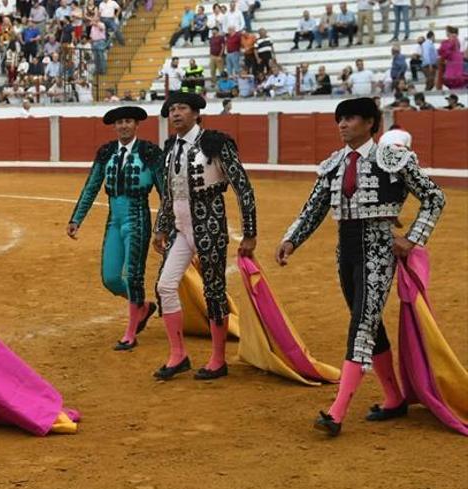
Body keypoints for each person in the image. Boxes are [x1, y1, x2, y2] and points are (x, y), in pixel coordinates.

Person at [275, 97, 445, 436]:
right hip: (347, 249)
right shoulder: (334, 163)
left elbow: (434, 196)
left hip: (379, 247)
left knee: (361, 324)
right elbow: (314, 208)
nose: (342, 124)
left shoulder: (393, 157)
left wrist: (411, 238)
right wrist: (291, 239)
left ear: (370, 123)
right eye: (340, 119)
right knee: (368, 320)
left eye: (350, 118)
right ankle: (394, 396)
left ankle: (336, 413)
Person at [153, 92, 257, 381]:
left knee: (213, 290)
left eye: (182, 108)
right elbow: (169, 194)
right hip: (181, 228)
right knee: (165, 285)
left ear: (197, 113)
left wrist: (249, 233)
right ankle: (178, 355)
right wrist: (161, 227)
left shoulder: (215, 143)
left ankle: (218, 359)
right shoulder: (171, 147)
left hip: (210, 224)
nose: (175, 114)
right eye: (172, 109)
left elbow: (243, 188)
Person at [67, 106, 164, 351]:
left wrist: (167, 226)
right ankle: (141, 306)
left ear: (136, 125)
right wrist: (76, 219)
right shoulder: (107, 152)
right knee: (110, 278)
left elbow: (166, 193)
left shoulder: (150, 152)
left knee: (133, 276)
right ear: (115, 126)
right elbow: (91, 187)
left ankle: (130, 333)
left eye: (128, 121)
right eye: (119, 122)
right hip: (114, 219)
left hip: (138, 217)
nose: (123, 126)